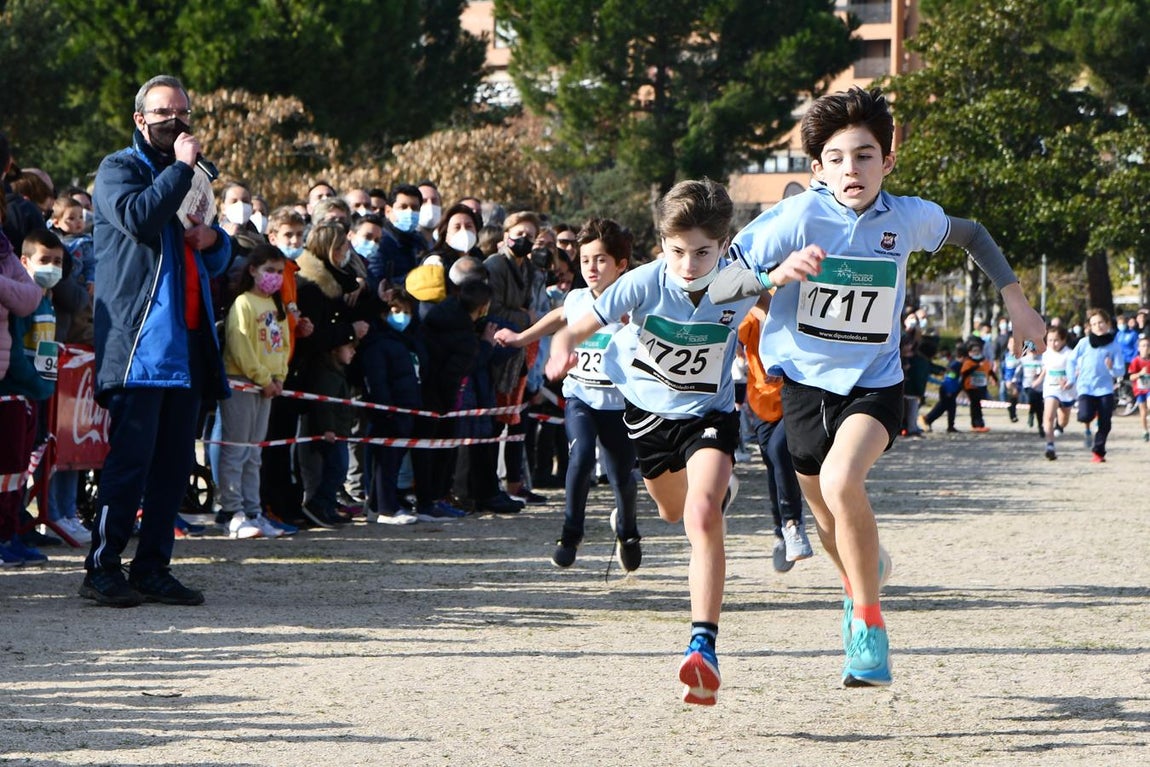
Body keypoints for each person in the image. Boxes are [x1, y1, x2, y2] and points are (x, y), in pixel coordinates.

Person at [710, 87, 1047, 688]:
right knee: (825, 515)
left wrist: (1017, 302)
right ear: (816, 169)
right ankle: (860, 579)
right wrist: (772, 275)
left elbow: (972, 234)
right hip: (803, 388)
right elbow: (718, 284)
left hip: (875, 384)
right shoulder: (794, 217)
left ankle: (868, 628)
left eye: (865, 155)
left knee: (844, 482)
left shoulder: (906, 217)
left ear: (887, 161)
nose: (852, 169)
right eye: (837, 158)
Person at [547, 179, 758, 706]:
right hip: (648, 416)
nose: (689, 265)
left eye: (703, 253)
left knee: (702, 515)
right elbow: (573, 327)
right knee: (672, 513)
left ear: (724, 245)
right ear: (661, 243)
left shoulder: (738, 283)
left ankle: (703, 647)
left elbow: (786, 320)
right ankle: (709, 490)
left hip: (709, 414)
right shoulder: (641, 283)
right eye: (677, 251)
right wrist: (560, 350)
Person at [80, 75, 232, 607]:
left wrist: (216, 239)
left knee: (172, 467)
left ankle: (153, 568)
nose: (177, 120)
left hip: (189, 341)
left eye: (183, 111)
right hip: (141, 339)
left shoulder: (192, 176)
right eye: (165, 112)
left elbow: (217, 252)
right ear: (141, 120)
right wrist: (181, 168)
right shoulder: (117, 169)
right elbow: (141, 220)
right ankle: (101, 567)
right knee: (130, 462)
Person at [496, 218, 641, 570]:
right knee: (578, 460)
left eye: (601, 260)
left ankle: (628, 530)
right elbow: (555, 318)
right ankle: (570, 532)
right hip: (582, 398)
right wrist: (519, 339)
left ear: (621, 265)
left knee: (622, 474)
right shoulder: (576, 299)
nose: (591, 268)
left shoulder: (637, 302)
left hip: (619, 404)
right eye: (586, 260)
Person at [216, 244, 291, 539]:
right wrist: (262, 377)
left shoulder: (275, 305)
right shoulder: (244, 303)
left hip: (268, 386)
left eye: (279, 272)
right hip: (242, 383)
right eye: (268, 270)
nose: (274, 277)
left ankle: (253, 511)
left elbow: (281, 344)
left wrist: (279, 377)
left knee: (254, 454)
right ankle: (230, 511)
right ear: (253, 270)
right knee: (236, 450)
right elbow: (240, 345)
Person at [0, 229, 62, 564]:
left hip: (34, 396)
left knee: (19, 472)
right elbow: (17, 352)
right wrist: (38, 386)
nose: (52, 267)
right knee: (6, 472)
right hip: (14, 393)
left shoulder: (47, 301)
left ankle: (12, 533)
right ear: (23, 262)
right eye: (44, 261)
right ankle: (4, 535)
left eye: (58, 262)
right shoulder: (22, 302)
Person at [738, 290, 811, 572]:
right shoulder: (746, 299)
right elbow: (735, 333)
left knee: (780, 451)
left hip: (797, 394)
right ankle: (781, 530)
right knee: (773, 464)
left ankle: (793, 522)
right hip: (761, 401)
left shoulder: (796, 294)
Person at [1070, 308, 1123, 463]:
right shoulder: (1084, 343)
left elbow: (1120, 371)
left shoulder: (1114, 346)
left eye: (1101, 322)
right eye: (1094, 324)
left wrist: (1111, 367)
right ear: (1090, 327)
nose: (1098, 326)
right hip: (1086, 387)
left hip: (1105, 389)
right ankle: (1090, 424)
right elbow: (1071, 360)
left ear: (1107, 324)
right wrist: (1071, 377)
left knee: (1106, 423)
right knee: (1085, 415)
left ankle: (1098, 452)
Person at [1037, 325, 1075, 461]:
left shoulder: (1070, 354)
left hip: (1066, 390)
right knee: (1048, 416)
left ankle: (1060, 425)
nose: (1053, 343)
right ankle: (1050, 446)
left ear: (1064, 340)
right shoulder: (1046, 353)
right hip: (1051, 388)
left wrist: (1069, 381)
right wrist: (1038, 381)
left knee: (1063, 420)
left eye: (1056, 340)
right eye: (1050, 340)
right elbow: (1046, 369)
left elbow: (1077, 371)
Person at [922, 342, 964, 433]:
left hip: (950, 389)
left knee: (950, 408)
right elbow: (950, 379)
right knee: (942, 407)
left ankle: (950, 425)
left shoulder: (954, 364)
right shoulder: (956, 365)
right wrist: (950, 390)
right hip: (948, 389)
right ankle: (927, 419)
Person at [959, 335, 997, 432]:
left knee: (978, 405)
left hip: (981, 386)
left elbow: (989, 371)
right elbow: (964, 373)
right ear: (970, 352)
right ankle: (976, 423)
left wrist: (995, 378)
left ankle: (979, 423)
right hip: (970, 387)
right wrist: (975, 367)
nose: (977, 353)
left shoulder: (984, 361)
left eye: (978, 351)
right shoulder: (968, 362)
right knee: (975, 405)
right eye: (974, 351)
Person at [1127, 335, 1150, 442]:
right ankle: (1145, 431)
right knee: (1143, 411)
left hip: (1149, 389)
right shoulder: (1136, 361)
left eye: (1147, 345)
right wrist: (1140, 374)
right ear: (1139, 348)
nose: (1145, 348)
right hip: (1140, 390)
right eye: (1143, 346)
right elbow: (1131, 376)